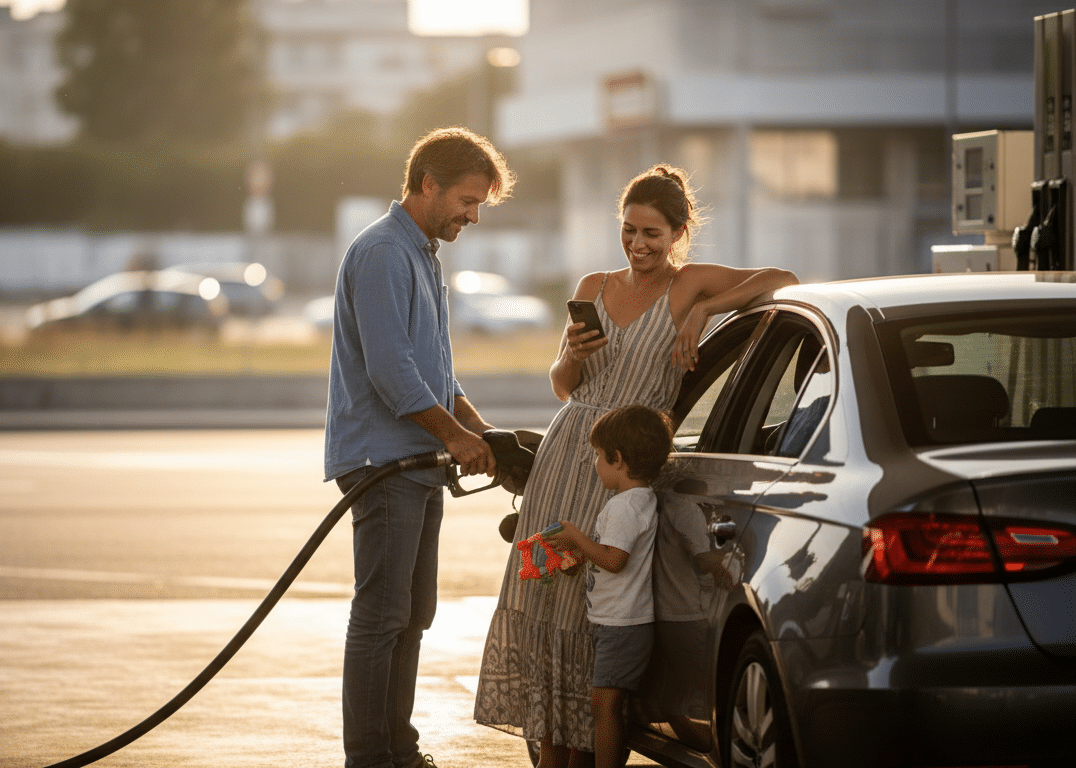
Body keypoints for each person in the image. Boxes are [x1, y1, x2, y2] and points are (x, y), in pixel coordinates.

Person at [473, 164, 798, 767]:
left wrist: (705, 312)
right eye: (628, 231)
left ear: (678, 233)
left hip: (625, 471)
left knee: (591, 604)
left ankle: (585, 745)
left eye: (652, 233)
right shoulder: (594, 283)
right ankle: (550, 748)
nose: (638, 245)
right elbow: (563, 388)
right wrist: (570, 353)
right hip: (566, 453)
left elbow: (783, 277)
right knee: (542, 596)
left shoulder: (689, 284)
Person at [325, 126, 516, 768]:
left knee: (411, 616)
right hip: (386, 464)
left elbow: (437, 373)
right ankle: (370, 758)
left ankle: (397, 749)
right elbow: (391, 369)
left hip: (419, 464)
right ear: (427, 184)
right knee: (382, 617)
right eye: (467, 199)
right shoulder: (383, 252)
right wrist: (457, 436)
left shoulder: (422, 255)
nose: (474, 215)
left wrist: (483, 436)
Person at [545, 405, 673, 768]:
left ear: (617, 459)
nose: (595, 464)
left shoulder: (625, 507)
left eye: (598, 456)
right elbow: (609, 555)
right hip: (616, 623)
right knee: (606, 706)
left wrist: (576, 537)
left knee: (605, 708)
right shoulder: (637, 501)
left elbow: (615, 561)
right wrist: (580, 554)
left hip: (622, 627)